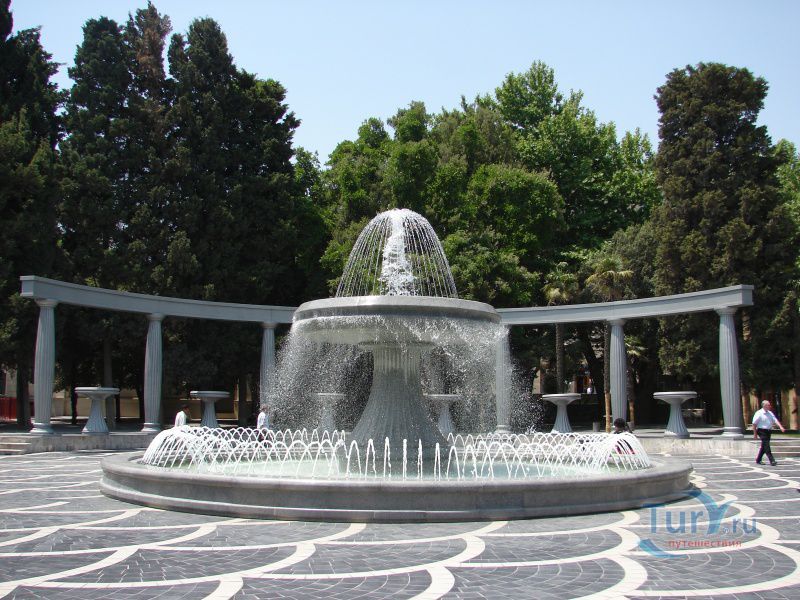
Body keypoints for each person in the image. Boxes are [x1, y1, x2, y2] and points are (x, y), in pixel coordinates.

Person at [752, 400, 785, 466]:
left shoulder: (770, 413)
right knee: (767, 446)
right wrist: (755, 434)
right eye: (768, 405)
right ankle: (772, 460)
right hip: (761, 431)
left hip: (768, 431)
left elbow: (775, 420)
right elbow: (754, 424)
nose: (770, 406)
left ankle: (758, 459)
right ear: (764, 405)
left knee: (764, 446)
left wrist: (781, 427)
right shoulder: (759, 413)